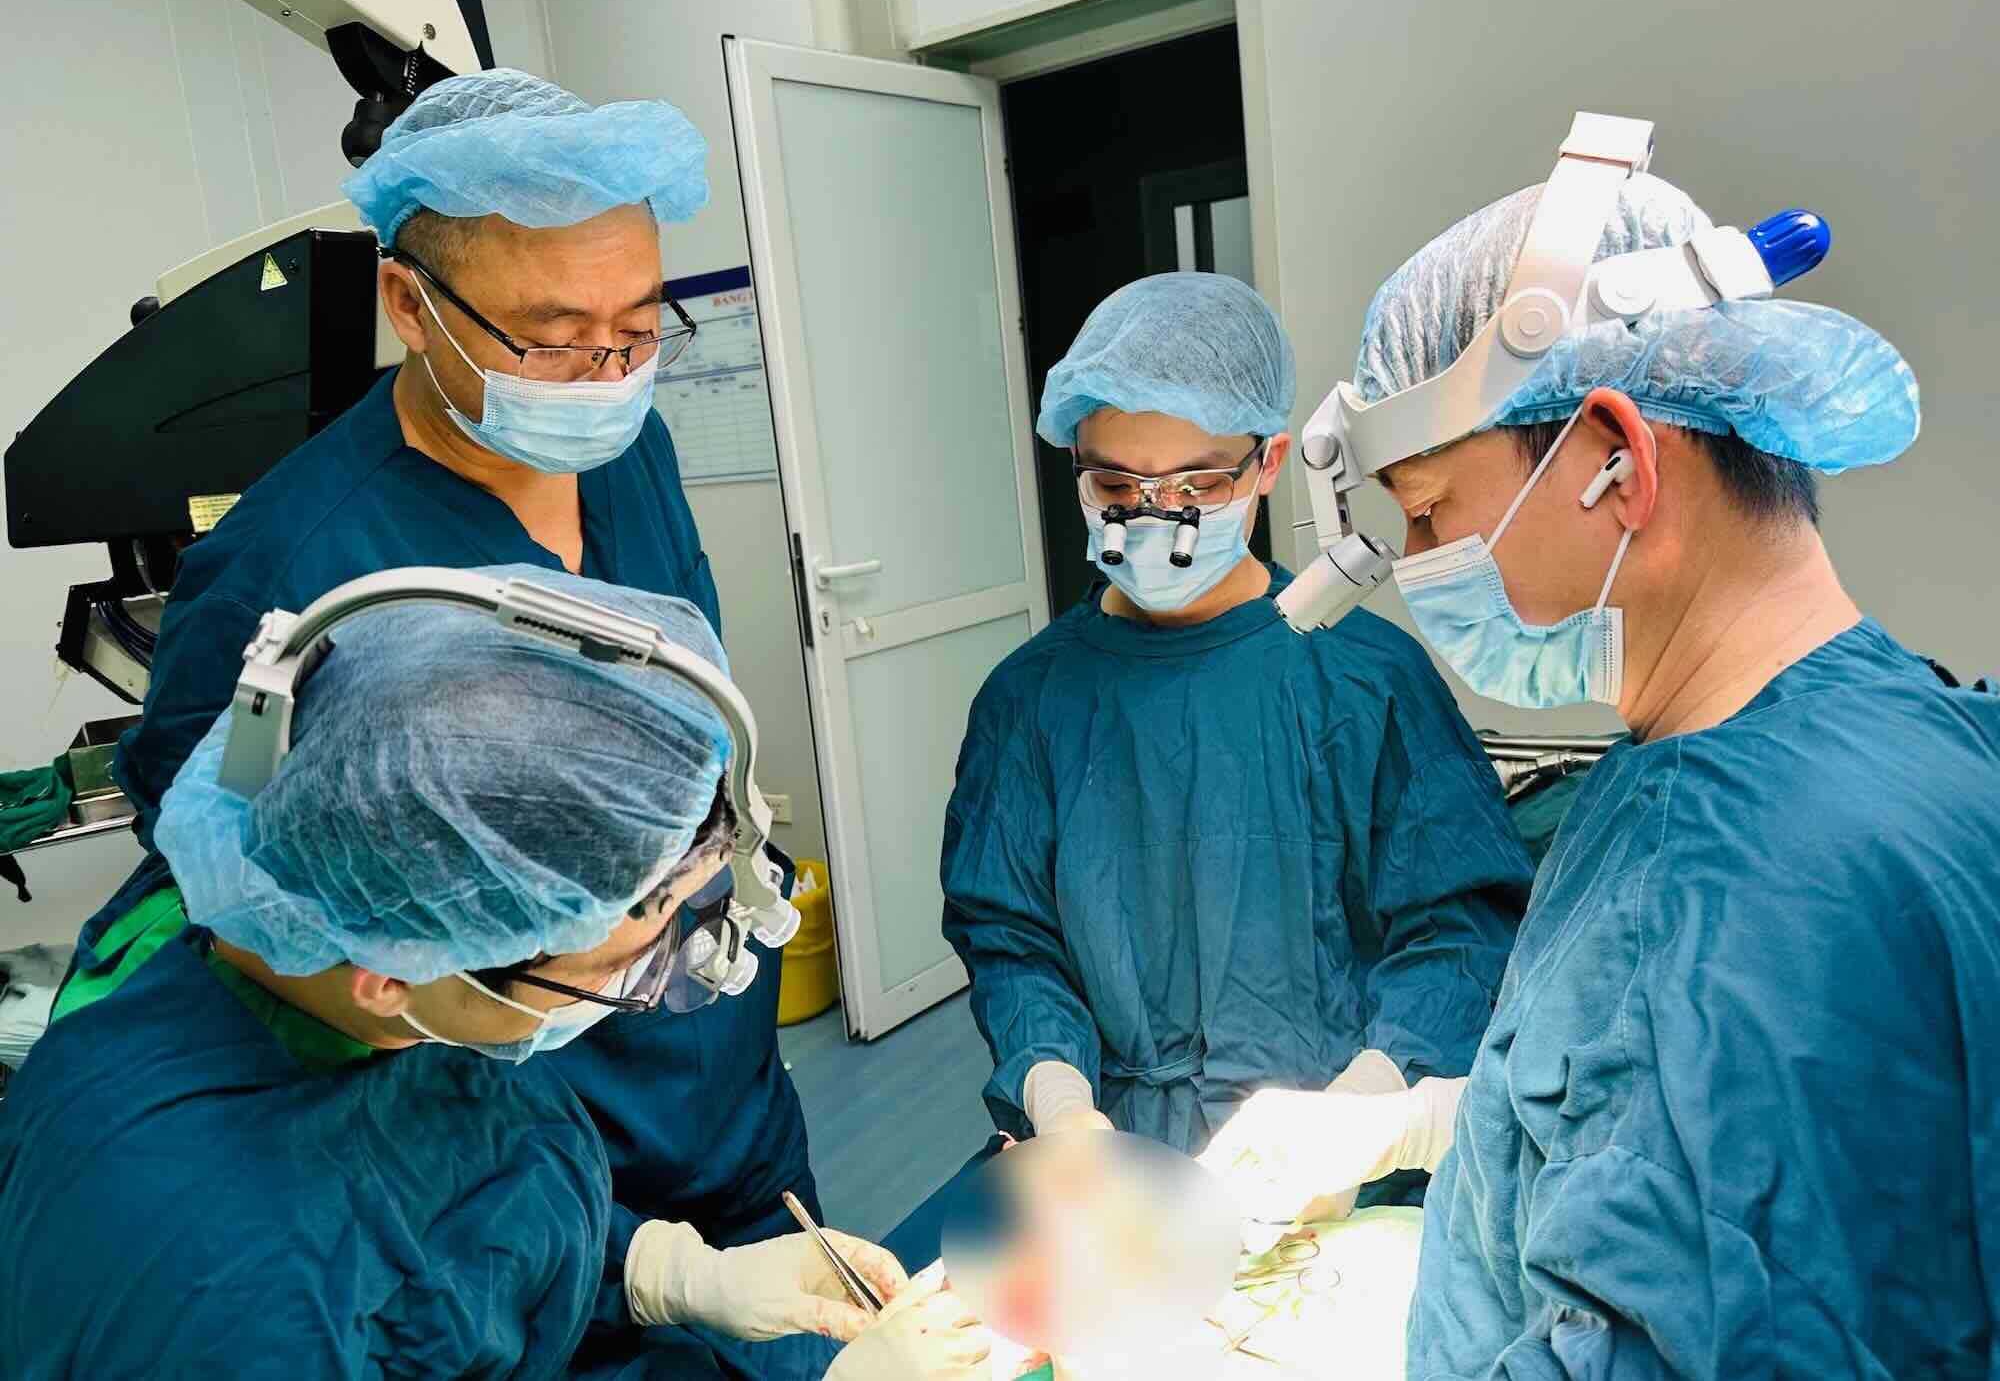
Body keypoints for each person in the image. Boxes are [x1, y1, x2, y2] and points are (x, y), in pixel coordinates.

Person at [73, 67, 827, 1381]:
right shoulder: (285, 570)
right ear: (408, 303)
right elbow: (256, 920)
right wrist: (624, 1250)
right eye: (552, 337)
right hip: (509, 1169)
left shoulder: (627, 455)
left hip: (715, 1093)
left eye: (637, 328)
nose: (604, 376)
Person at [1199, 165, 2000, 1376]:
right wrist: (1424, 1124)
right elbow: (1697, 1134)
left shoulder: (1723, 890)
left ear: (1616, 460)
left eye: (1427, 511)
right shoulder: (1911, 726)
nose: (1416, 564)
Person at [0, 569, 989, 1380]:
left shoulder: (351, 970)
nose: (652, 986)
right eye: (620, 972)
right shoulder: (221, 1294)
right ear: (393, 972)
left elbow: (464, 1205)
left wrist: (663, 1270)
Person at [895, 274, 1530, 1266]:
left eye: (1195, 486)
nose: (1156, 518)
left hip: (1331, 1181)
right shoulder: (1030, 701)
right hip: (1106, 1184)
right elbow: (1010, 939)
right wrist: (1058, 1097)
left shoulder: (1364, 679)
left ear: (1269, 462)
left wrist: (1365, 1109)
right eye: (1117, 488)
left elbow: (1459, 930)